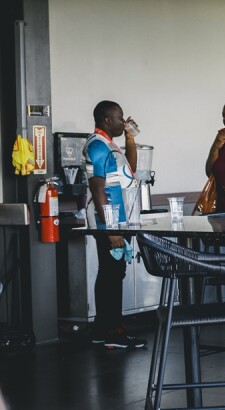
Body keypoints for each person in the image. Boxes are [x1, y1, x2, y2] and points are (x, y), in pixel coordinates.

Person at [83, 100, 146, 350]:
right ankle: (113, 331)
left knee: (112, 271)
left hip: (119, 219)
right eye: (120, 118)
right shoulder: (97, 146)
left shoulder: (110, 145)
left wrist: (130, 138)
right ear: (107, 120)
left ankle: (103, 328)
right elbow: (97, 188)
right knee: (111, 272)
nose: (124, 121)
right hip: (109, 221)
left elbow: (131, 170)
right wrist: (111, 228)